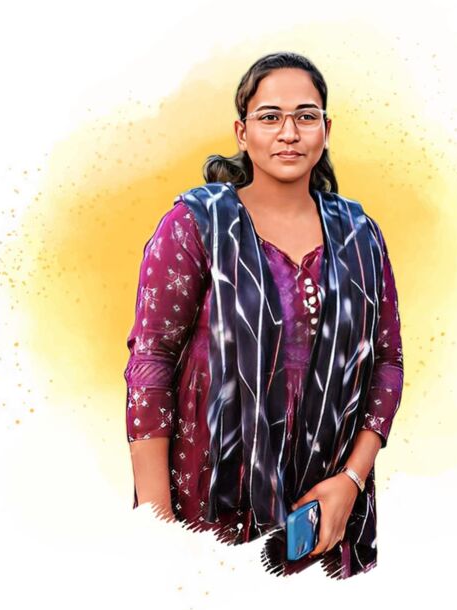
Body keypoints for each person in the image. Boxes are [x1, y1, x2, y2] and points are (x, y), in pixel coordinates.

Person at [124, 52, 404, 579]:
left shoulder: (360, 235)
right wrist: (158, 527)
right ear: (242, 131)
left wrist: (351, 480)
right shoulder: (196, 225)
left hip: (326, 514)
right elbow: (151, 365)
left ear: (326, 130)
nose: (289, 133)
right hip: (207, 508)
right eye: (270, 116)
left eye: (305, 116)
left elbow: (387, 364)